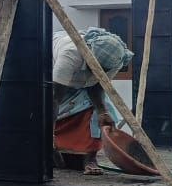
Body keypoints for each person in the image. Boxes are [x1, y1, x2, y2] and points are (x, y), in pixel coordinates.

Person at [51, 28, 132, 175]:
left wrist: (102, 111)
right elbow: (55, 98)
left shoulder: (117, 61)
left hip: (81, 85)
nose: (99, 72)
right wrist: (47, 139)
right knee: (48, 112)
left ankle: (90, 158)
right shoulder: (70, 54)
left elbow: (97, 86)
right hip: (54, 82)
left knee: (100, 111)